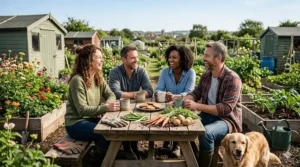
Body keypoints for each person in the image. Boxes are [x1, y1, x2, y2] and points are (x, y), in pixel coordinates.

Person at [184, 42, 242, 167]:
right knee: (183, 128)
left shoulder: (232, 79)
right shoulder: (206, 75)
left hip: (226, 121)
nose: (203, 58)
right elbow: (196, 93)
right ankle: (195, 159)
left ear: (218, 58)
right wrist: (187, 99)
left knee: (207, 133)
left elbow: (225, 109)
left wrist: (196, 106)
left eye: (207, 56)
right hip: (207, 116)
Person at [65, 44, 120, 160]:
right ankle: (98, 160)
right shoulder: (77, 81)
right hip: (76, 123)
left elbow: (111, 94)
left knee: (115, 129)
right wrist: (106, 108)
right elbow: (82, 110)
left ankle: (109, 157)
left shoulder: (97, 77)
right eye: (99, 57)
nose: (102, 60)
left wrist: (106, 105)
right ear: (89, 60)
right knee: (104, 134)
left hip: (90, 119)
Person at [109, 45, 153, 159]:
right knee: (122, 120)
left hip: (136, 107)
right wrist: (137, 94)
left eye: (137, 57)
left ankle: (134, 145)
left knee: (140, 117)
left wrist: (128, 95)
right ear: (124, 59)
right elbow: (116, 93)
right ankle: (127, 147)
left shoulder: (141, 71)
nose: (136, 60)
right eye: (132, 58)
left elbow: (149, 91)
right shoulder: (115, 72)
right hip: (120, 107)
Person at [156, 45, 196, 157]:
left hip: (185, 106)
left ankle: (177, 146)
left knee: (180, 119)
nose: (170, 60)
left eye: (174, 58)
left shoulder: (190, 73)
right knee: (165, 116)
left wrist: (175, 96)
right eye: (169, 57)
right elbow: (159, 89)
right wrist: (164, 95)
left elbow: (190, 92)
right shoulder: (165, 72)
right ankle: (167, 143)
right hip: (168, 106)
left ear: (182, 59)